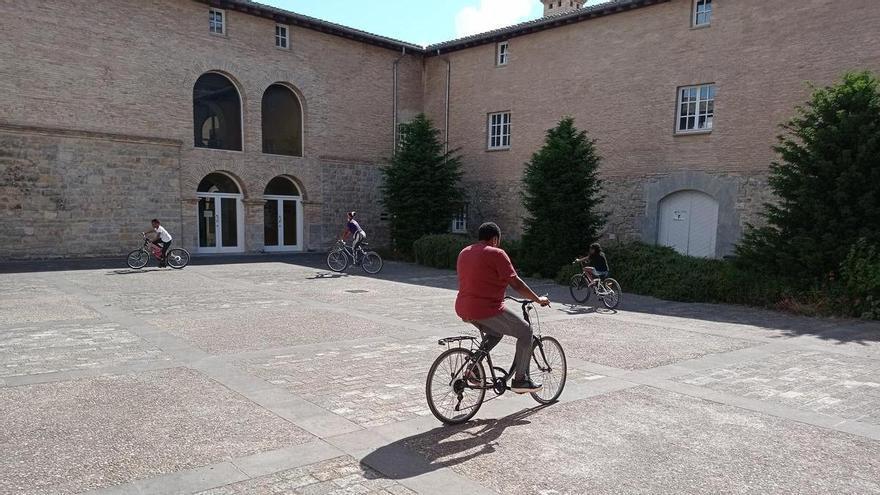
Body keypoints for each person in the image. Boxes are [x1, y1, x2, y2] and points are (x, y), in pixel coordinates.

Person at [455, 222, 550, 393]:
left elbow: (477, 278)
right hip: (487, 309)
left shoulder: (464, 252)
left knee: (496, 332)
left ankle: (473, 367)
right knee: (526, 331)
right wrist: (537, 299)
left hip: (463, 307)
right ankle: (521, 380)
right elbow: (516, 284)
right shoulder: (497, 254)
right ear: (495, 239)